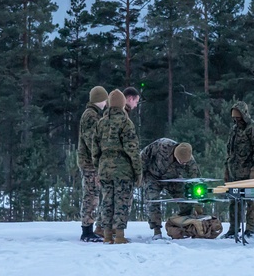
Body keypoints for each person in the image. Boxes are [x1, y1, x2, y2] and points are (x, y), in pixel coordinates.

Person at [93, 89, 142, 244]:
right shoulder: (125, 122)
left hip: (104, 169)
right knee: (121, 202)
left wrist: (98, 168)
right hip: (123, 169)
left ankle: (107, 235)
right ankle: (119, 235)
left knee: (107, 201)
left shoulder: (101, 123)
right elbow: (132, 149)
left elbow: (95, 149)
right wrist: (138, 171)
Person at [141, 139, 200, 239]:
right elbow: (143, 157)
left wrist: (197, 201)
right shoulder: (162, 145)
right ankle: (157, 231)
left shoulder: (190, 160)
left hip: (173, 179)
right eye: (181, 162)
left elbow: (196, 180)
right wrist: (140, 175)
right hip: (153, 176)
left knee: (185, 200)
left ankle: (182, 225)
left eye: (185, 163)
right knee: (152, 200)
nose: (183, 164)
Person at [223, 101, 254, 238]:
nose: (236, 119)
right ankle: (233, 228)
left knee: (251, 201)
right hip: (234, 172)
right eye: (234, 117)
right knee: (234, 202)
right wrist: (227, 170)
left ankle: (250, 230)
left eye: (238, 117)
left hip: (249, 173)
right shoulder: (234, 129)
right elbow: (229, 151)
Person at [76, 86, 108, 242]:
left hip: (91, 162)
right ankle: (87, 230)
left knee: (93, 194)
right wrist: (99, 159)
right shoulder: (91, 116)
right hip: (90, 163)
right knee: (91, 195)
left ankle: (89, 229)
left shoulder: (93, 114)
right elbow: (92, 141)